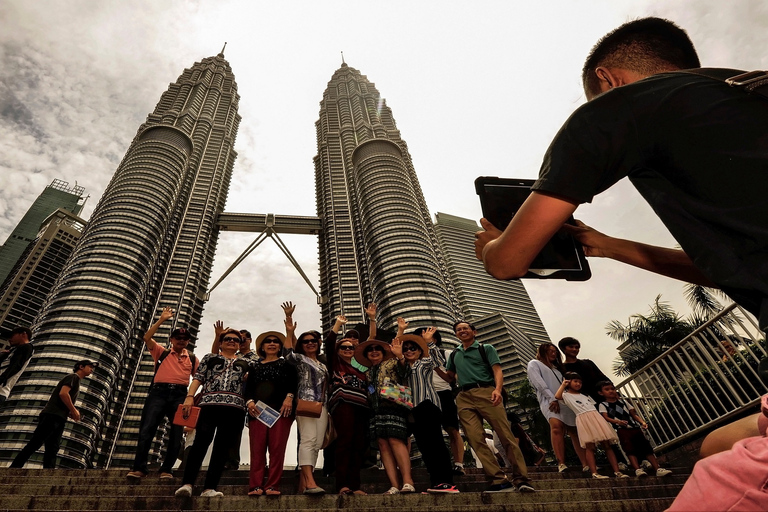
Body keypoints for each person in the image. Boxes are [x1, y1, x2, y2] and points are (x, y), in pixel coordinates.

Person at [474, 17, 768, 334]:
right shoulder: (748, 87)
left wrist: (493, 247)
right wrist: (607, 245)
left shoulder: (619, 106)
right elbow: (735, 266)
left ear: (608, 80)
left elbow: (508, 263)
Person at [445, 321, 534, 492]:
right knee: (474, 438)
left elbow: (497, 370)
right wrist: (433, 365)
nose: (462, 331)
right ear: (456, 334)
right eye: (458, 330)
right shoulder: (455, 353)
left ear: (474, 332)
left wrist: (498, 390)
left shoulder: (485, 348)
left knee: (505, 435)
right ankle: (499, 480)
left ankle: (522, 479)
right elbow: (449, 377)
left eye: (465, 328)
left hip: (486, 391)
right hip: (463, 396)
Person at [175, 329, 249, 498]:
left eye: (236, 340)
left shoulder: (245, 363)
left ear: (239, 345)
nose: (232, 341)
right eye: (228, 339)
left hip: (235, 408)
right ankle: (187, 484)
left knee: (222, 449)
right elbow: (198, 378)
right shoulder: (210, 358)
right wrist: (189, 397)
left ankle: (209, 488)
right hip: (209, 405)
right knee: (200, 444)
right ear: (221, 342)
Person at [127, 307, 198, 481]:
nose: (181, 341)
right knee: (147, 429)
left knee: (175, 433)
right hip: (158, 393)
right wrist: (162, 319)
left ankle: (167, 470)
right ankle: (139, 468)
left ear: (188, 341)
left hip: (180, 395)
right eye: (178, 338)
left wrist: (191, 399)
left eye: (185, 338)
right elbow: (146, 337)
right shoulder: (162, 352)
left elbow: (198, 379)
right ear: (172, 339)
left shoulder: (193, 358)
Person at [395, 324, 458, 493]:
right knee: (424, 447)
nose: (409, 351)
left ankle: (446, 482)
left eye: (412, 348)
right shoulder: (401, 367)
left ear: (419, 350)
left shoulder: (424, 362)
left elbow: (438, 361)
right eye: (406, 348)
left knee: (436, 444)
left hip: (428, 405)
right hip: (412, 410)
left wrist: (429, 342)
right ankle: (436, 482)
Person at [11, 360, 97, 468]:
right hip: (52, 415)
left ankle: (48, 474)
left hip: (59, 417)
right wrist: (74, 409)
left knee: (53, 448)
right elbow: (63, 393)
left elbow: (62, 399)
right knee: (36, 443)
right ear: (81, 366)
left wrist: (69, 412)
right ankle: (15, 467)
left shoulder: (76, 380)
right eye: (90, 367)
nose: (92, 370)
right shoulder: (73, 377)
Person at [282, 302, 329, 495]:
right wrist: (289, 328)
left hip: (323, 405)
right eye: (306, 341)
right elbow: (287, 354)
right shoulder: (300, 359)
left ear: (318, 344)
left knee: (317, 443)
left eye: (313, 340)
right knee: (308, 440)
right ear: (301, 345)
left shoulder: (323, 364)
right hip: (305, 401)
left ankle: (304, 483)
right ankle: (310, 482)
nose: (310, 343)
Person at [357, 337, 415, 494]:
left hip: (394, 407)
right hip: (375, 411)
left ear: (383, 353)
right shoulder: (367, 373)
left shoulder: (392, 363)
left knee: (396, 441)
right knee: (383, 445)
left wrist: (400, 356)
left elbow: (406, 371)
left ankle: (408, 481)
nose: (374, 351)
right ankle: (394, 485)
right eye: (370, 350)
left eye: (377, 349)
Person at [244, 329, 297, 497]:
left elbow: (294, 383)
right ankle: (255, 486)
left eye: (275, 341)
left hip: (281, 412)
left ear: (280, 346)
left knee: (277, 450)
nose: (272, 343)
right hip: (258, 412)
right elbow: (248, 389)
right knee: (257, 450)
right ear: (262, 346)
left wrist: (289, 398)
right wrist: (249, 402)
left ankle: (272, 485)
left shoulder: (287, 364)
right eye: (268, 341)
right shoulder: (254, 366)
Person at [409, 323, 465, 475]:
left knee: (452, 428)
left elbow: (451, 375)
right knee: (427, 433)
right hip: (422, 397)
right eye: (420, 335)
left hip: (443, 393)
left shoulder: (445, 353)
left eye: (427, 334)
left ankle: (459, 464)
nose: (423, 337)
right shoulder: (412, 357)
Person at [325, 315, 370, 495]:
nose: (348, 349)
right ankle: (342, 484)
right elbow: (329, 344)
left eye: (351, 347)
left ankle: (355, 485)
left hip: (362, 407)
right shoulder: (335, 364)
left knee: (358, 445)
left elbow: (371, 387)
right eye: (343, 347)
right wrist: (337, 325)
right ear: (338, 350)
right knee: (344, 443)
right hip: (343, 405)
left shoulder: (361, 368)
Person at [527, 342, 587, 472]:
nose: (553, 353)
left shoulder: (557, 369)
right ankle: (561, 463)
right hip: (549, 401)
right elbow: (539, 383)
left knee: (574, 431)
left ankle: (585, 464)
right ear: (542, 352)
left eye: (555, 351)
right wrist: (552, 399)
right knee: (556, 428)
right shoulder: (534, 364)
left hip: (565, 401)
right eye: (550, 351)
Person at [555, 372, 628, 479]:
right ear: (568, 382)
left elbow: (593, 406)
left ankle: (617, 471)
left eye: (580, 382)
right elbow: (557, 396)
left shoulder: (584, 395)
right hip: (584, 420)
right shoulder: (566, 395)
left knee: (607, 445)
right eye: (575, 381)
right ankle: (594, 473)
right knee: (590, 447)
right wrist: (563, 384)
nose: (578, 384)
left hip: (596, 418)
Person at [596, 381, 671, 477]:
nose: (611, 391)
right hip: (621, 429)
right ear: (601, 393)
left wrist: (642, 422)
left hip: (634, 427)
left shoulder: (623, 402)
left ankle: (657, 468)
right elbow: (605, 417)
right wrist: (617, 422)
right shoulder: (603, 405)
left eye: (612, 389)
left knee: (646, 447)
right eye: (607, 389)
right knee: (629, 449)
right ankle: (637, 469)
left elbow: (633, 414)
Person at [558, 337, 609, 402]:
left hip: (604, 397)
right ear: (563, 349)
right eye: (571, 347)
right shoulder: (562, 369)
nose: (574, 349)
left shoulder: (588, 363)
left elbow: (602, 377)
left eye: (577, 347)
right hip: (583, 401)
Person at [0, 326, 34, 404]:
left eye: (12, 336)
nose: (9, 339)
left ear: (23, 334)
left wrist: (2, 379)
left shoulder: (27, 347)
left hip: (1, 389)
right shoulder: (13, 350)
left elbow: (16, 366)